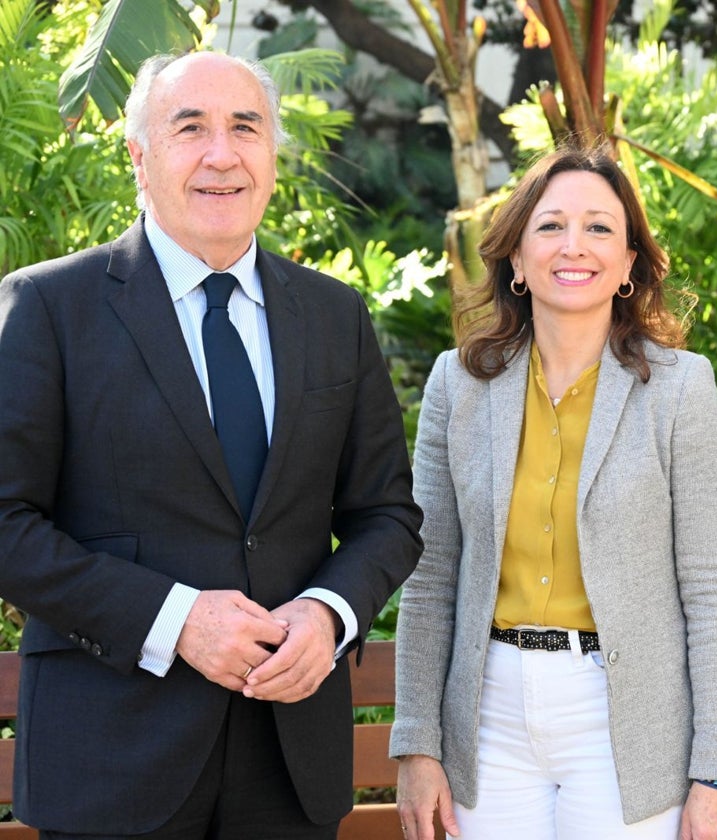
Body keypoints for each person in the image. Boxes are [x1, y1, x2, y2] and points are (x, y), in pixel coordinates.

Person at [0, 52, 423, 839]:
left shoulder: (335, 316)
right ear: (139, 154)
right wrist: (175, 619)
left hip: (289, 761)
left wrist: (329, 615)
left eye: (245, 128)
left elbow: (386, 516)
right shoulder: (49, 307)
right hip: (110, 764)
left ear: (271, 153)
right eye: (190, 128)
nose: (221, 153)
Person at [389, 145, 717, 840]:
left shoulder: (680, 389)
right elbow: (430, 580)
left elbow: (709, 594)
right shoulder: (457, 386)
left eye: (599, 228)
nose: (573, 246)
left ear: (630, 264)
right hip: (487, 717)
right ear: (517, 260)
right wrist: (417, 744)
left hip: (626, 721)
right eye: (550, 226)